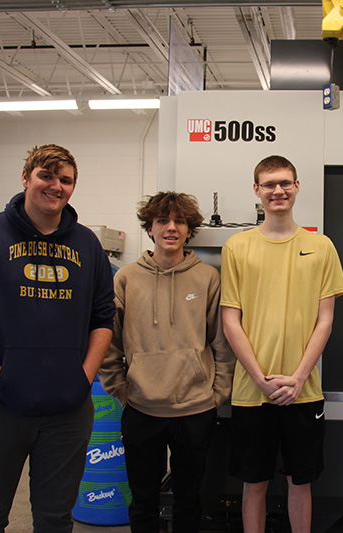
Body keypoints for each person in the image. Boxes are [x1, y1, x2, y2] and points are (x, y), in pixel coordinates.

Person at [0, 144, 116, 532]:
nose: (56, 186)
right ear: (26, 178)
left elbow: (103, 318)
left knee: (54, 519)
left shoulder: (87, 245)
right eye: (46, 176)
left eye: (65, 180)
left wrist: (83, 377)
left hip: (67, 412)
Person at [220, 155, 343, 533]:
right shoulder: (237, 247)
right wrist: (261, 379)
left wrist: (296, 378)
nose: (278, 190)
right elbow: (231, 320)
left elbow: (325, 320)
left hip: (303, 392)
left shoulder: (321, 246)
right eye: (270, 184)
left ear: (296, 187)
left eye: (285, 183)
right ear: (256, 190)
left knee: (300, 481)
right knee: (253, 482)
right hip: (250, 392)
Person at [99, 192, 234, 533]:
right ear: (150, 228)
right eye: (162, 220)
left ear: (190, 230)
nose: (171, 228)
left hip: (196, 409)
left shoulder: (207, 278)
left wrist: (218, 393)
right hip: (142, 409)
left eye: (180, 221)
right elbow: (108, 342)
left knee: (189, 500)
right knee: (143, 501)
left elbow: (221, 340)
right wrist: (120, 389)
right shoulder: (126, 278)